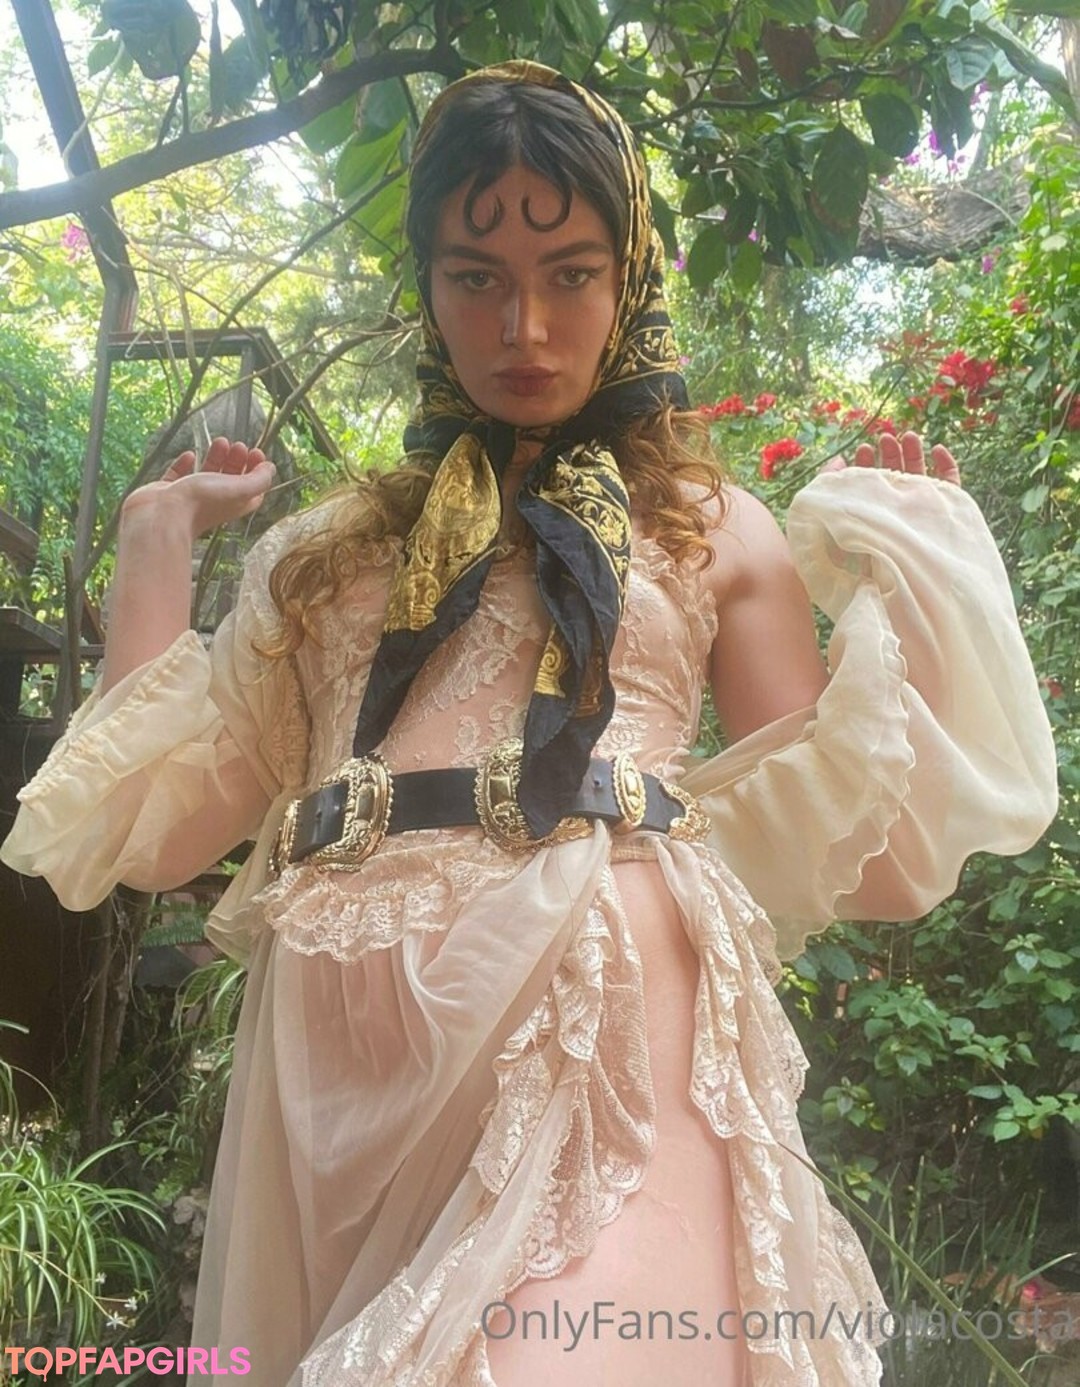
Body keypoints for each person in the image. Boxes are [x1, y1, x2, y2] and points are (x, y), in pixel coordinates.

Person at [1, 61, 1058, 1387]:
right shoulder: (320, 553)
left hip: (601, 1003)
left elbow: (869, 850)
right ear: (428, 288)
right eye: (476, 277)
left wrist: (920, 579)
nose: (525, 325)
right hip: (337, 1078)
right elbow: (148, 830)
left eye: (571, 273)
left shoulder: (714, 527)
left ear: (630, 281)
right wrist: (157, 539)